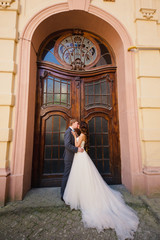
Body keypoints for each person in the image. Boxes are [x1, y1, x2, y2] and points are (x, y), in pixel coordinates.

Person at [63, 121, 139, 240]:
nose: (77, 126)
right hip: (80, 157)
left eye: (78, 125)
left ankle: (83, 197)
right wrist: (75, 137)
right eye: (76, 124)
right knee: (81, 177)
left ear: (81, 128)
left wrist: (74, 137)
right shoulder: (83, 135)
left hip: (80, 157)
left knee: (83, 177)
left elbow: (77, 145)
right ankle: (80, 195)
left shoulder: (81, 135)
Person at [61, 119, 84, 201]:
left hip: (74, 157)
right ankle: (63, 195)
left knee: (71, 176)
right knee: (66, 176)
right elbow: (67, 145)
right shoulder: (68, 132)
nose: (78, 124)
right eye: (77, 123)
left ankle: (70, 194)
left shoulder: (73, 132)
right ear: (73, 123)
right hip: (69, 157)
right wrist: (77, 149)